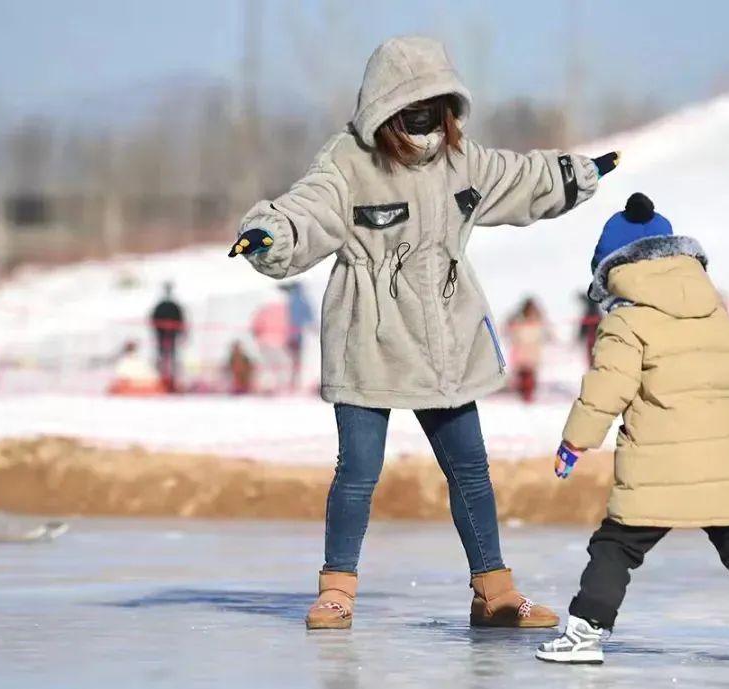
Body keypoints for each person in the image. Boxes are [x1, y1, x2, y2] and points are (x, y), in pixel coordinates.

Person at [228, 36, 609, 630]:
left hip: (446, 339)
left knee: (471, 469)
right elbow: (310, 208)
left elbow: (517, 177)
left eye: (435, 109)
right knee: (358, 471)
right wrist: (272, 232)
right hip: (370, 337)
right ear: (386, 109)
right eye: (412, 111)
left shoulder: (461, 161)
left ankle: (494, 591)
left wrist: (571, 175)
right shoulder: (348, 161)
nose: (425, 123)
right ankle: (337, 590)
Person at [536, 193, 729, 667]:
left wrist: (575, 441)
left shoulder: (626, 322)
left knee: (617, 546)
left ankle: (585, 633)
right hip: (721, 467)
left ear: (612, 267)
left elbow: (608, 387)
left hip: (657, 466)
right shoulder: (711, 311)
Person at [507, 298, 548, 403]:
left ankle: (528, 396)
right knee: (523, 376)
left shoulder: (538, 321)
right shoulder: (519, 322)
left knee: (530, 377)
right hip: (521, 354)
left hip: (532, 354)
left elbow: (542, 336)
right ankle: (523, 395)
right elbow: (514, 336)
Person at [250, 296, 293, 393]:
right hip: (278, 343)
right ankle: (279, 388)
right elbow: (288, 328)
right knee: (282, 365)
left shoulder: (263, 309)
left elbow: (255, 326)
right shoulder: (284, 309)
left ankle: (266, 387)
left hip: (264, 342)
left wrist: (258, 337)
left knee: (266, 366)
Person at [150, 281, 186, 393]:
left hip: (171, 336)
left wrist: (180, 332)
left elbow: (180, 320)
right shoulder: (164, 306)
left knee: (171, 357)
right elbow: (154, 321)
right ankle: (163, 380)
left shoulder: (171, 306)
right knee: (163, 357)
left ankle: (171, 380)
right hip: (164, 336)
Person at [281, 282, 316, 392]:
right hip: (296, 337)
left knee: (291, 360)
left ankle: (292, 383)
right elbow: (309, 316)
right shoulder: (301, 301)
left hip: (289, 336)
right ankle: (294, 383)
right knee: (295, 360)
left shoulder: (290, 301)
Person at [576, 292, 601, 368]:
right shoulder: (594, 313)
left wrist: (581, 335)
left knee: (593, 355)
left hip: (593, 338)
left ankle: (593, 367)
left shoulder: (591, 312)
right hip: (593, 338)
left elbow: (583, 327)